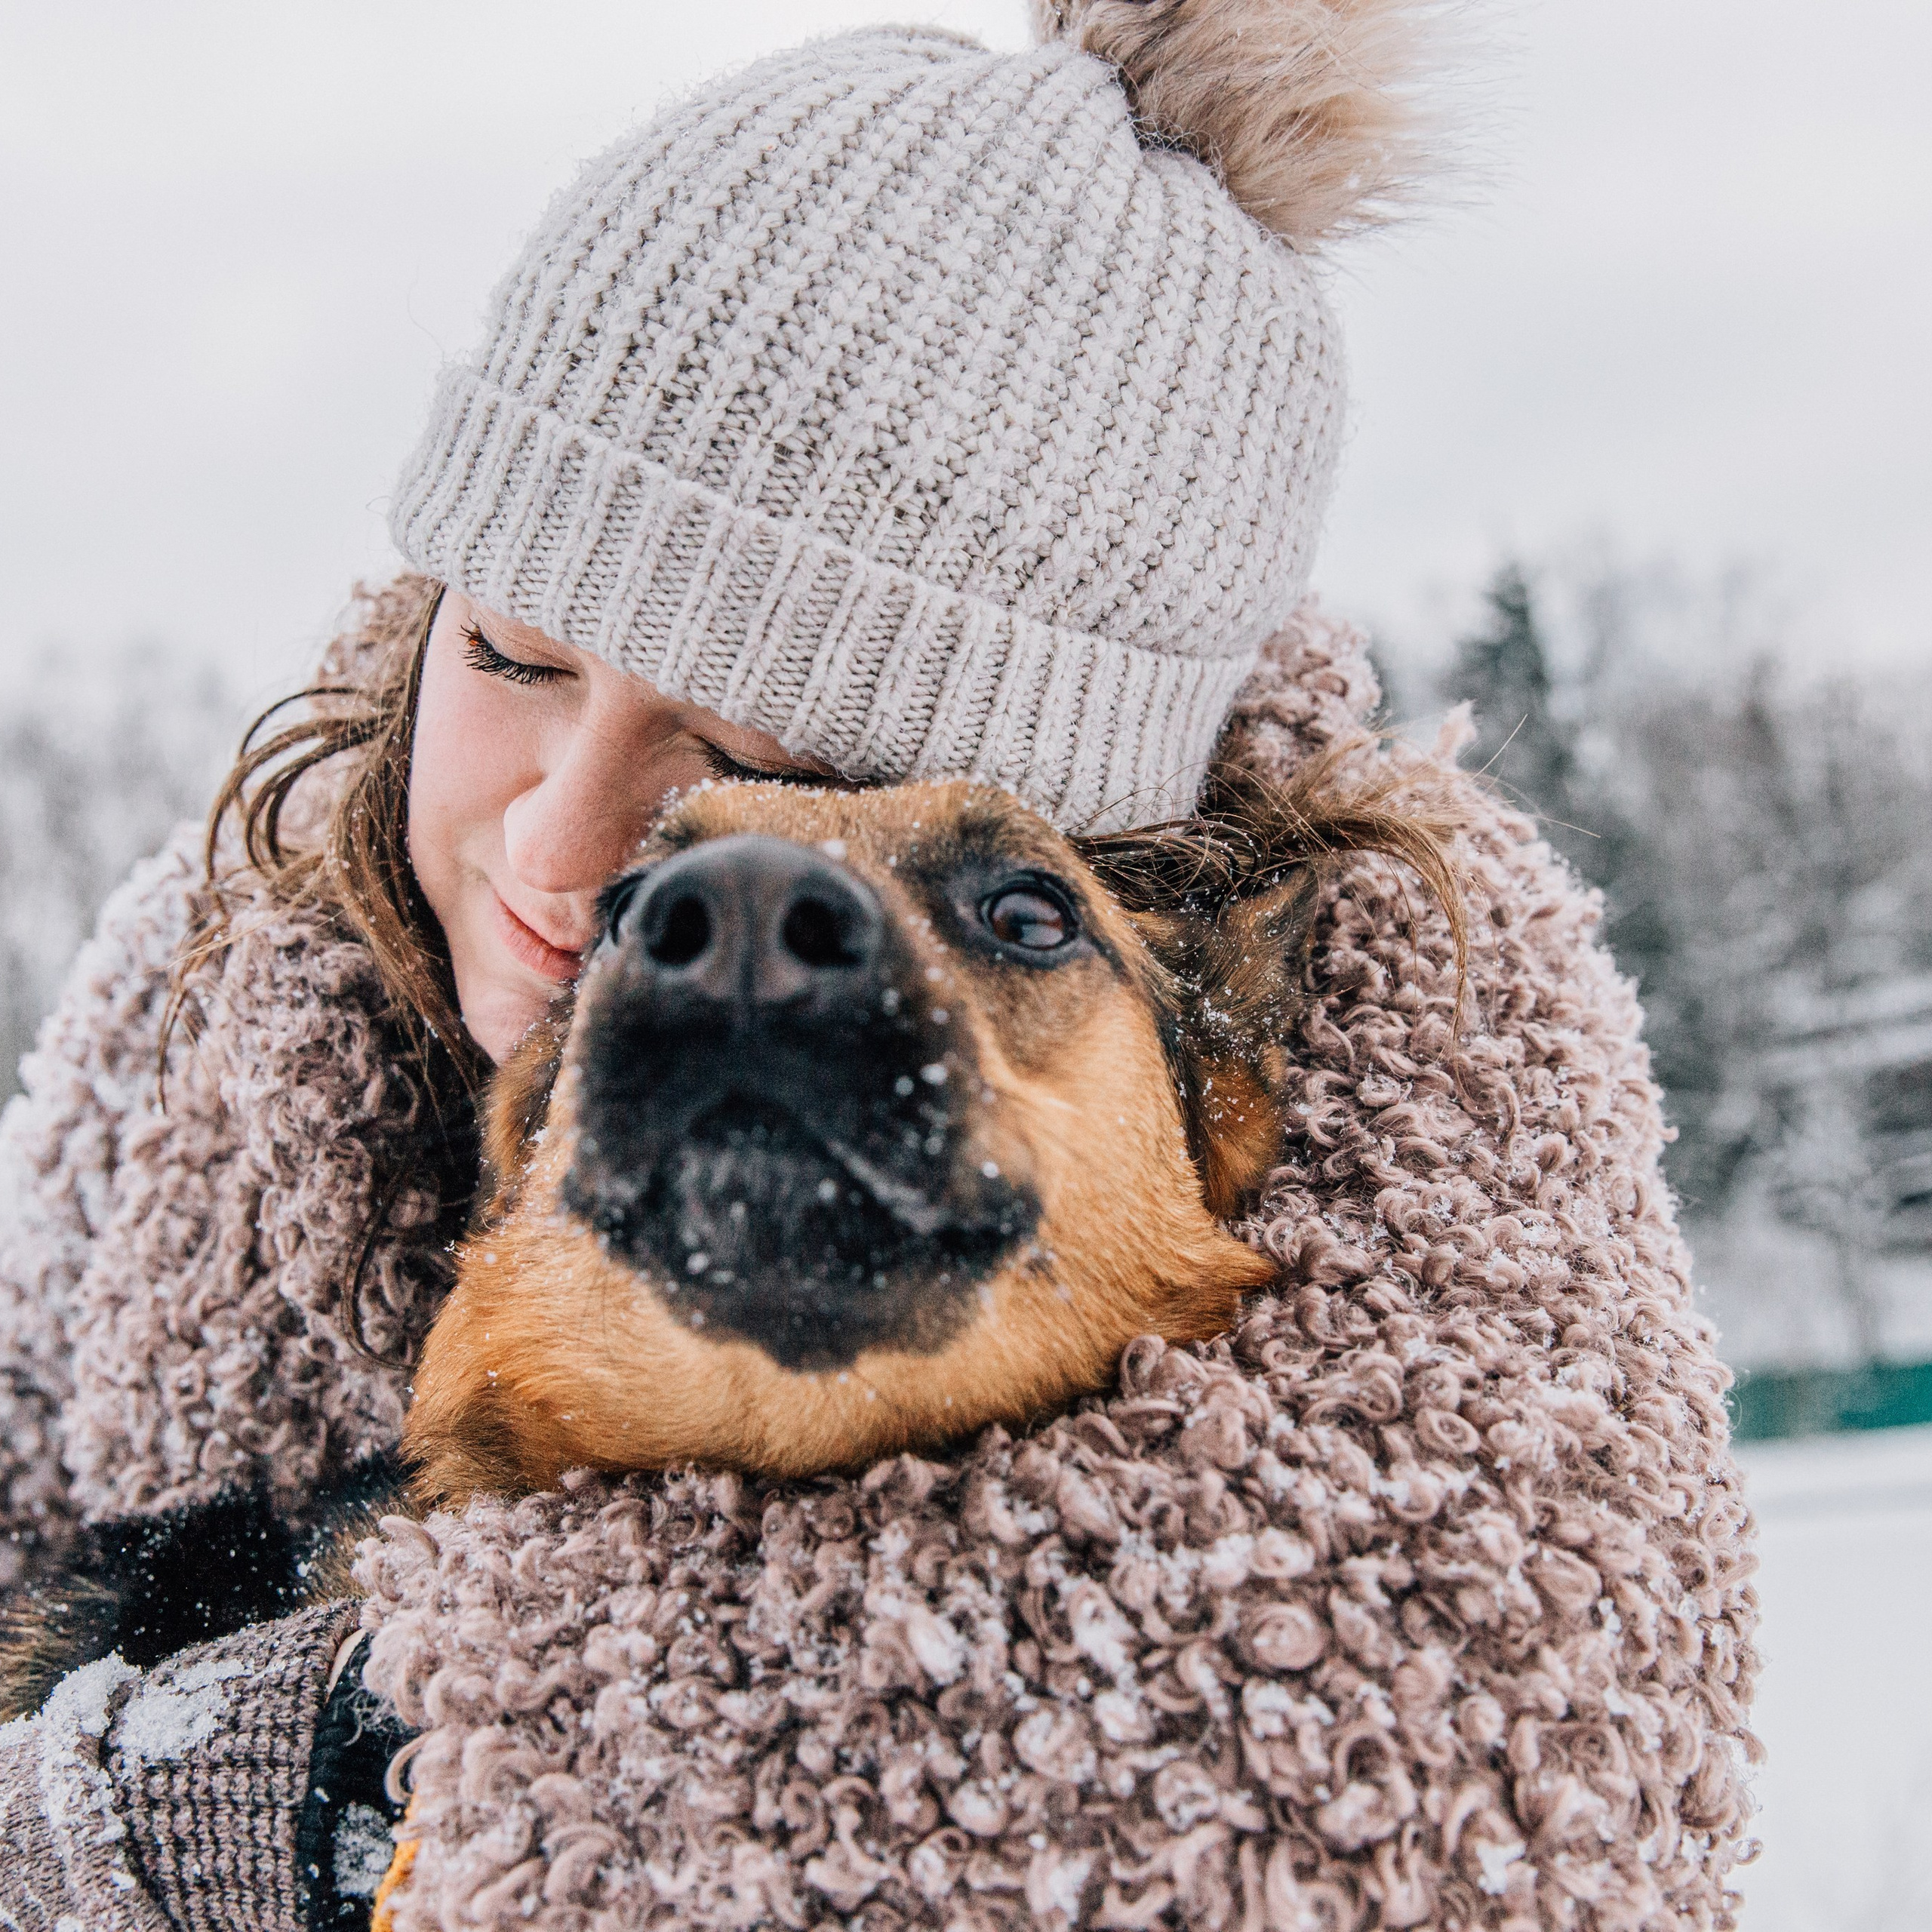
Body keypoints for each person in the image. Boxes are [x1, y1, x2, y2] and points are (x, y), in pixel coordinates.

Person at [0, 5, 1761, 1928]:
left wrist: (365, 1766)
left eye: (776, 776)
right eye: (514, 650)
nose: (569, 853)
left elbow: (1426, 1787)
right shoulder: (199, 998)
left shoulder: (1413, 1145)